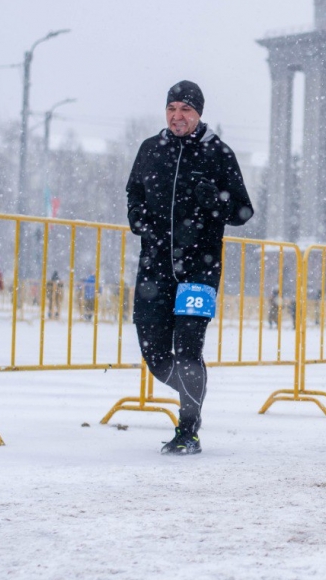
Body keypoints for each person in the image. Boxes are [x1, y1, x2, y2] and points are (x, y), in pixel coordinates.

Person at [126, 80, 254, 455]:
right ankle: (191, 391)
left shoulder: (217, 152)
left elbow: (244, 212)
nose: (177, 116)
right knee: (154, 354)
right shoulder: (150, 149)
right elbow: (134, 191)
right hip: (154, 268)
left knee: (187, 350)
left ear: (199, 114)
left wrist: (216, 201)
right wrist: (137, 217)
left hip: (199, 270)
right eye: (172, 108)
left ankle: (188, 428)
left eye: (186, 110)